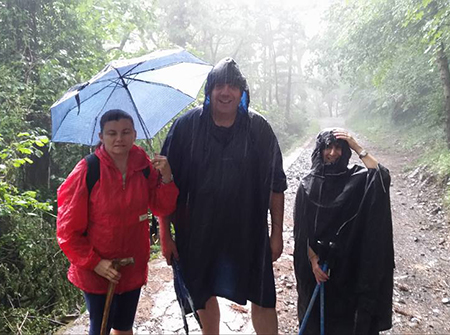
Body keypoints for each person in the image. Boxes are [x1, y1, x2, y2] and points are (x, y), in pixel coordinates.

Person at [159, 57, 287, 334]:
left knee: (263, 295)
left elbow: (276, 184)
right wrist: (165, 234)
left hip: (248, 230)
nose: (225, 92)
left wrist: (276, 233)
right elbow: (164, 185)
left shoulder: (258, 129)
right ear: (209, 91)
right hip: (197, 230)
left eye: (232, 86)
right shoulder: (186, 128)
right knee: (203, 292)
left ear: (242, 93)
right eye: (219, 86)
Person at [56, 109, 178, 335]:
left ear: (135, 134)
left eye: (125, 132)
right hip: (97, 270)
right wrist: (95, 263)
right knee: (99, 329)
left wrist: (167, 176)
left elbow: (162, 207)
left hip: (132, 265)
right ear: (101, 137)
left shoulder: (144, 168)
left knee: (124, 327)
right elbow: (67, 231)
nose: (119, 139)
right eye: (112, 133)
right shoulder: (88, 170)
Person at [293, 128, 394, 335]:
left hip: (349, 268)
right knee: (315, 319)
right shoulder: (307, 185)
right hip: (318, 268)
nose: (332, 153)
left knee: (346, 321)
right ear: (319, 150)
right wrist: (313, 261)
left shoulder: (356, 180)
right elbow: (302, 230)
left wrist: (357, 147)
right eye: (327, 147)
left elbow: (381, 177)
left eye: (338, 147)